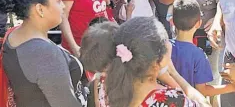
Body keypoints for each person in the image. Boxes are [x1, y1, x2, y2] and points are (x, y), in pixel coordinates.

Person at [80, 17, 210, 107]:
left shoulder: (103, 82)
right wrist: (173, 74)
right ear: (157, 62)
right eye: (166, 42)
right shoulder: (171, 99)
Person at [0, 0, 85, 107]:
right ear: (40, 9)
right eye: (58, 1)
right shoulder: (44, 53)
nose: (63, 6)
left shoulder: (14, 34)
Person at [160, 0, 221, 105]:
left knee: (211, 74)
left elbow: (223, 4)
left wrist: (215, 19)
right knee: (180, 72)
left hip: (207, 36)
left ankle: (211, 102)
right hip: (182, 34)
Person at [170, 0, 235, 97]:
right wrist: (234, 87)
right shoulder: (198, 55)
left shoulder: (164, 47)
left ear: (172, 21)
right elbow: (203, 90)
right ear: (199, 23)